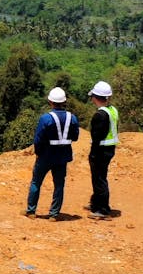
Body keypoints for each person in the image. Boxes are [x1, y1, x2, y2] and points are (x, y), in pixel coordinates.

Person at [25, 86, 79, 220]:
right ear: (64, 102)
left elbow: (38, 140)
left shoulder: (45, 118)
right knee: (59, 184)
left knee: (36, 182)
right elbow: (76, 137)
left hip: (45, 156)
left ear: (50, 102)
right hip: (62, 157)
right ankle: (54, 214)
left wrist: (38, 153)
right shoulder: (72, 118)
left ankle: (31, 211)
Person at [87, 81, 119, 219]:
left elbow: (96, 137)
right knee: (101, 177)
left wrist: (92, 154)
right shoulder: (113, 110)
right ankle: (97, 203)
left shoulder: (100, 115)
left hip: (101, 150)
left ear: (95, 97)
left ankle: (102, 209)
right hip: (110, 148)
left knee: (99, 179)